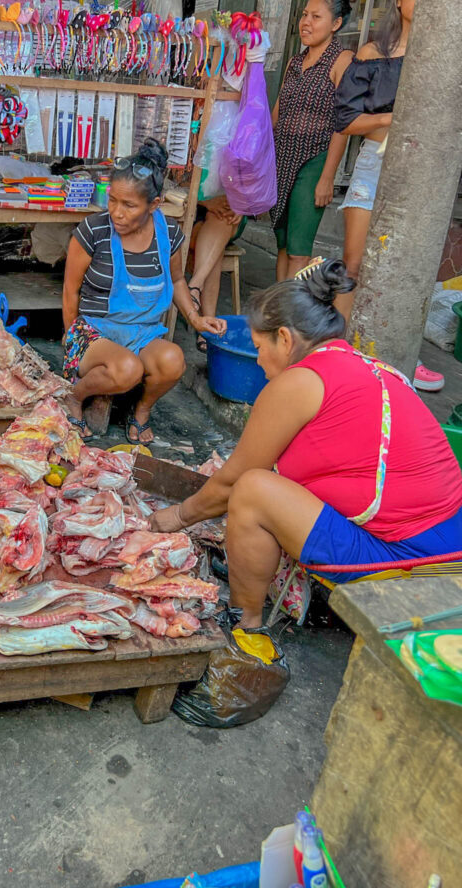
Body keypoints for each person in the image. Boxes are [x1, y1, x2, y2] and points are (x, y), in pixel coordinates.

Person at [150, 260, 462, 633]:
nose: (259, 359)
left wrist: (176, 518)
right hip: (449, 548)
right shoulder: (364, 365)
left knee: (252, 490)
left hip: (414, 564)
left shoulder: (299, 382)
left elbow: (235, 482)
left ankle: (244, 623)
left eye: (259, 346)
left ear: (284, 338)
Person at [62, 138, 227, 444]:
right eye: (113, 200)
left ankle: (141, 412)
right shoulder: (93, 231)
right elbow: (70, 291)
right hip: (93, 331)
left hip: (142, 333)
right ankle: (73, 396)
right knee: (127, 368)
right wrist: (70, 337)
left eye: (129, 205)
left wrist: (196, 318)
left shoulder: (169, 235)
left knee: (173, 360)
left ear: (154, 205)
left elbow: (177, 280)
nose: (117, 213)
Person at [334, 0, 441, 391]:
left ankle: (398, 359)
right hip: (375, 164)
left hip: (423, 174)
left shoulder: (441, 63)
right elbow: (346, 119)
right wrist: (400, 118)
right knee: (355, 262)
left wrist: (383, 121)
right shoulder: (372, 56)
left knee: (406, 267)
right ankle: (337, 356)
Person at [271, 0, 358, 281]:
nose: (306, 22)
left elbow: (343, 124)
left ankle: (291, 320)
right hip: (283, 158)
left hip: (314, 160)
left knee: (298, 249)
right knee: (282, 244)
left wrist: (327, 178)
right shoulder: (295, 62)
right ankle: (277, 310)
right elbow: (276, 115)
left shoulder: (342, 60)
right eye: (304, 14)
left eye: (316, 17)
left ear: (335, 23)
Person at [188, 195, 246, 354]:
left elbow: (257, 188)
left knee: (224, 218)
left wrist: (242, 203)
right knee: (215, 246)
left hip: (229, 214)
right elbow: (173, 186)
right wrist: (205, 202)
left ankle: (195, 286)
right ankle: (208, 320)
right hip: (190, 210)